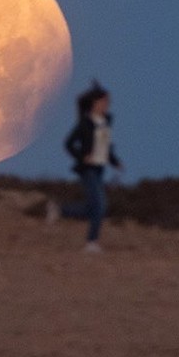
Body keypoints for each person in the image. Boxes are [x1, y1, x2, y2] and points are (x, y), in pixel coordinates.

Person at [46, 80, 123, 252]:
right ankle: (91, 243)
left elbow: (106, 146)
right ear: (95, 103)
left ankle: (60, 210)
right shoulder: (85, 123)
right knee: (100, 205)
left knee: (92, 208)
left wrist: (115, 162)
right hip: (87, 170)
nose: (107, 105)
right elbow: (69, 143)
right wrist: (82, 157)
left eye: (108, 101)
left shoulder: (107, 121)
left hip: (99, 168)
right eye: (105, 101)